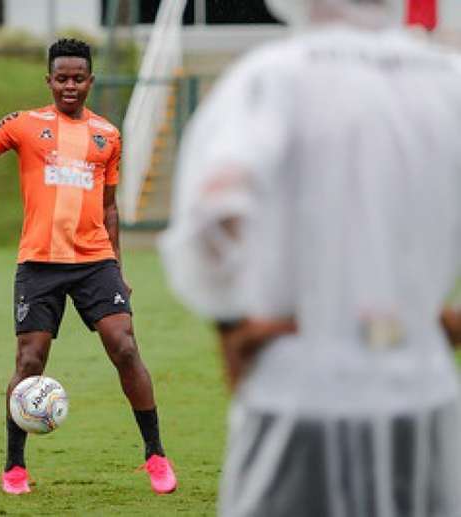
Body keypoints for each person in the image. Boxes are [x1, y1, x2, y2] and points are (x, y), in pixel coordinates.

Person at [159, 0, 461, 515]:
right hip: (421, 399)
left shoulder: (273, 81)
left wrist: (232, 322)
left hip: (299, 394)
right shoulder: (447, 82)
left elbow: (214, 209)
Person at [0, 38, 176, 495]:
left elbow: (110, 209)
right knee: (30, 360)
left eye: (78, 78)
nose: (70, 86)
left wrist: (118, 269)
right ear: (49, 81)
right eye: (62, 78)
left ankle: (155, 455)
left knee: (124, 347)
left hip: (94, 260)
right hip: (39, 263)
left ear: (91, 80)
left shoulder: (108, 135)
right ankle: (14, 467)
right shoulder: (23, 124)